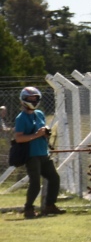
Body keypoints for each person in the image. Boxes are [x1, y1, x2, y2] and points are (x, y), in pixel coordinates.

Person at [14, 87, 63, 220]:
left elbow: (42, 131)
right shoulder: (21, 118)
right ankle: (28, 208)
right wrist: (36, 135)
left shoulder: (40, 114)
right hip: (31, 154)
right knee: (35, 183)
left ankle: (50, 205)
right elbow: (19, 138)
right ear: (24, 100)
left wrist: (46, 131)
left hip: (43, 153)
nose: (33, 100)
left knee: (54, 178)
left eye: (35, 98)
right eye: (30, 99)